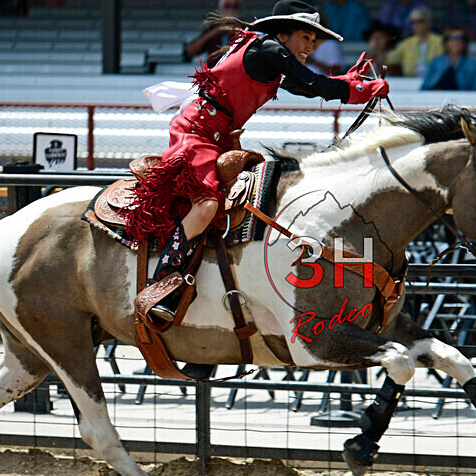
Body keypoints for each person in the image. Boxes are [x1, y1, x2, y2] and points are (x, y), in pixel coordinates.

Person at [126, 0, 389, 322]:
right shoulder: (268, 48)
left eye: (313, 40)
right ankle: (162, 280)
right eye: (306, 37)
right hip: (197, 130)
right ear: (283, 34)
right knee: (207, 204)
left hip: (219, 133)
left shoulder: (269, 54)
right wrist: (363, 88)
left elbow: (307, 87)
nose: (311, 45)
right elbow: (311, 82)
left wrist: (350, 84)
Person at [385, 6, 443, 78]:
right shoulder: (407, 42)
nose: (415, 25)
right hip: (411, 80)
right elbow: (389, 59)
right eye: (413, 22)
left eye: (419, 21)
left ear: (429, 23)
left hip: (434, 80)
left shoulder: (440, 41)